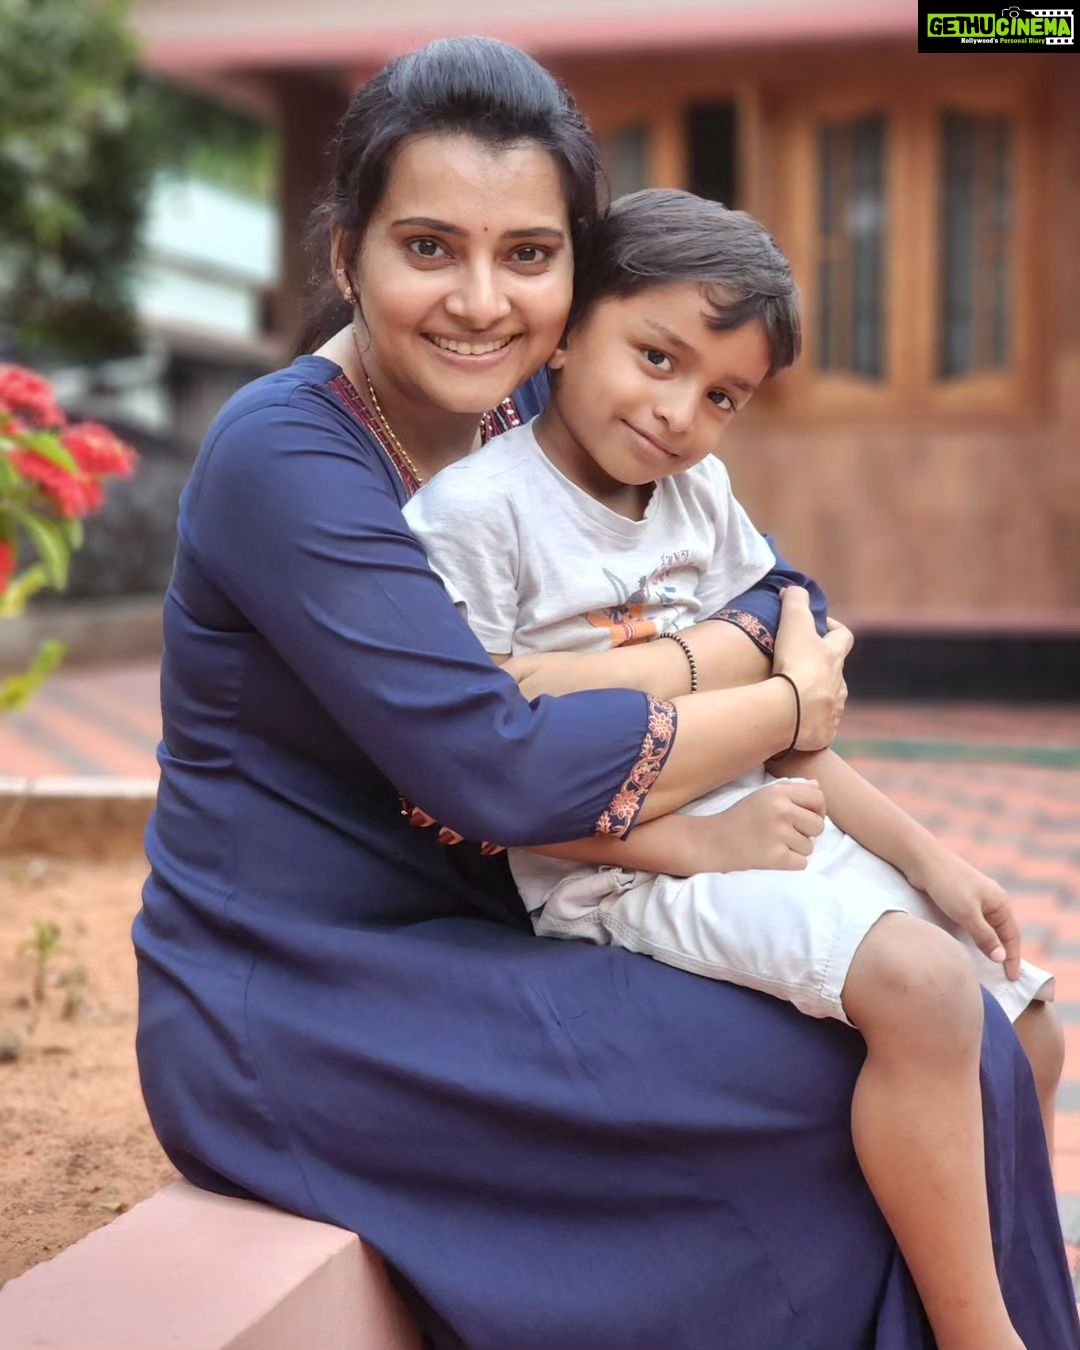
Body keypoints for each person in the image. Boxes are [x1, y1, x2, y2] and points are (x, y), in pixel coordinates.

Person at [132, 35, 1079, 1350]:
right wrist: (779, 706)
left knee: (968, 1023)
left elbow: (784, 599)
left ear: (577, 277)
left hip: (508, 914)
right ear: (347, 254)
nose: (480, 301)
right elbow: (499, 761)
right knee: (845, 1050)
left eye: (527, 253)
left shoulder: (542, 398)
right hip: (312, 985)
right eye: (428, 248)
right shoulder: (284, 457)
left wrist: (697, 667)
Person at [403, 187, 1061, 1350]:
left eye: (722, 396)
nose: (679, 412)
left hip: (762, 821)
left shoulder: (697, 496)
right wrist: (695, 843)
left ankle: (992, 1275)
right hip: (617, 866)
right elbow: (480, 772)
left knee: (1036, 1026)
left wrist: (931, 858)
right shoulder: (476, 515)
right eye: (656, 357)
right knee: (921, 986)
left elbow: (787, 733)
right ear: (571, 329)